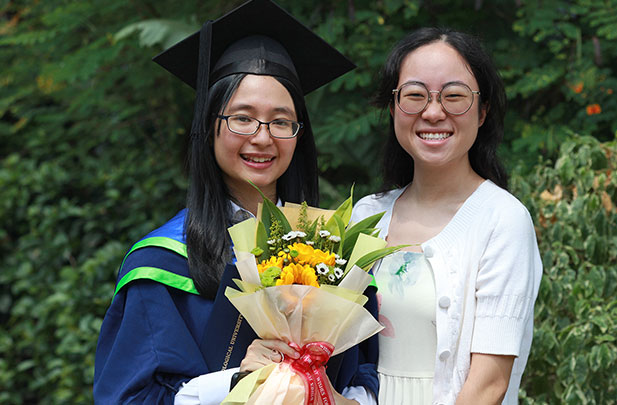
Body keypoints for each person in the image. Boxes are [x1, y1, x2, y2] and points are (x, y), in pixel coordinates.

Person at [94, 1, 377, 404]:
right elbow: (129, 397)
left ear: (300, 135)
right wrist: (235, 381)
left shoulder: (334, 260)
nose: (262, 137)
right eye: (241, 118)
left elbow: (366, 376)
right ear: (208, 128)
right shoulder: (161, 265)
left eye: (281, 121)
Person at [351, 27, 543, 405]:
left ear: (483, 110)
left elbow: (488, 386)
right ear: (393, 108)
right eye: (415, 96)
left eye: (454, 97)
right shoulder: (366, 214)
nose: (433, 112)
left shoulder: (502, 220)